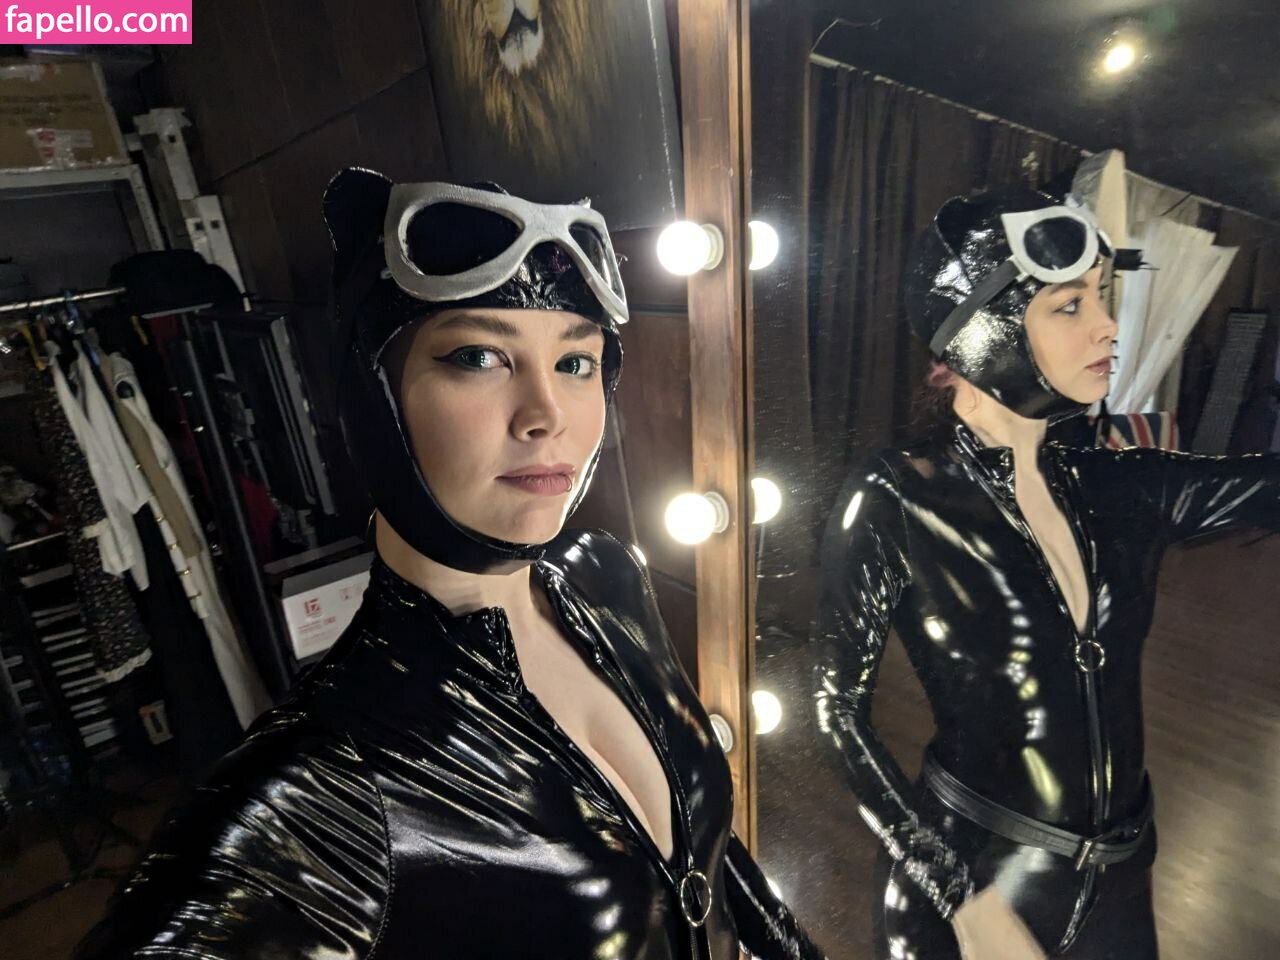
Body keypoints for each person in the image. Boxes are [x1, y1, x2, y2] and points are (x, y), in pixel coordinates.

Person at [73, 169, 825, 960]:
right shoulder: (330, 780)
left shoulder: (605, 577)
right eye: (478, 356)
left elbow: (712, 860)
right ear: (373, 396)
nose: (547, 416)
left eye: (576, 362)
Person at [813, 185, 1280, 959]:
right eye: (1069, 306)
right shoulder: (898, 496)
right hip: (976, 885)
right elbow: (836, 709)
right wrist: (958, 898)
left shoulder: (1122, 487)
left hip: (1123, 881)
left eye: (1101, 296)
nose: (1108, 325)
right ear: (980, 330)